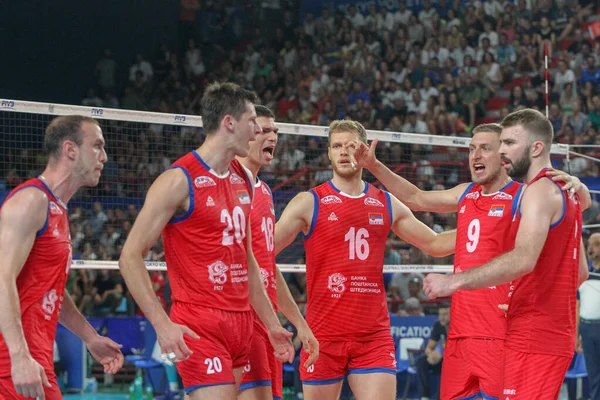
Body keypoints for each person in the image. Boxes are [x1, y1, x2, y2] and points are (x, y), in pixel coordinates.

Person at [353, 123, 591, 400]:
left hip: (501, 332)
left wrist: (578, 190)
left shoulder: (526, 195)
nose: (475, 155)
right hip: (460, 333)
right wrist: (374, 165)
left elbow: (559, 245)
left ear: (503, 155)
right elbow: (415, 198)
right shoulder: (467, 193)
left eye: (485, 148)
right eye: (471, 149)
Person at [119, 82, 296, 400]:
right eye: (252, 121)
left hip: (241, 321)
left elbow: (247, 259)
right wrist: (162, 324)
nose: (257, 131)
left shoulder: (243, 180)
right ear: (230, 122)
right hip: (200, 320)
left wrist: (270, 323)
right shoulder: (177, 180)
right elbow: (130, 256)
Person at [274, 120, 457, 400]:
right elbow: (261, 254)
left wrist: (485, 225)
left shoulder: (385, 202)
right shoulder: (308, 202)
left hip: (372, 337)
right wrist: (296, 322)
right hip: (322, 336)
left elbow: (434, 243)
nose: (344, 152)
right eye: (337, 146)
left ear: (364, 150)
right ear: (329, 153)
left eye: (351, 146)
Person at [423, 109, 591, 400]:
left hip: (535, 336)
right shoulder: (567, 191)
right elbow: (581, 273)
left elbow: (524, 258)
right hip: (540, 331)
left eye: (510, 143)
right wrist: (525, 297)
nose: (502, 152)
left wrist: (453, 282)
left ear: (536, 147)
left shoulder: (537, 191)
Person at [0, 116, 124, 399]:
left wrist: (90, 337)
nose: (104, 157)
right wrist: (19, 357)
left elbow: (50, 288)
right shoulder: (31, 201)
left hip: (35, 361)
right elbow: (1, 277)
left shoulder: (58, 210)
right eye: (97, 146)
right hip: (12, 364)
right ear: (70, 149)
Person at [237, 105, 318, 400]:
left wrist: (299, 324)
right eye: (264, 130)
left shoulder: (266, 192)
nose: (272, 136)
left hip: (267, 324)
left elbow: (268, 268)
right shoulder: (226, 185)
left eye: (275, 131)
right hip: (241, 320)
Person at [578, 233, 600, 400]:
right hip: (586, 328)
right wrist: (576, 335)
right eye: (589, 245)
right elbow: (577, 305)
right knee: (593, 373)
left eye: (596, 244)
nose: (590, 248)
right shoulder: (584, 273)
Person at [415, 303, 450, 400]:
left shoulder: (457, 326)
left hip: (454, 361)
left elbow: (460, 351)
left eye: (445, 314)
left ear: (452, 314)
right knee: (421, 361)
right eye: (440, 314)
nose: (442, 317)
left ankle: (441, 397)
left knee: (448, 365)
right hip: (442, 359)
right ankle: (425, 396)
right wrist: (432, 355)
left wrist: (441, 355)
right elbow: (429, 348)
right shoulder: (438, 325)